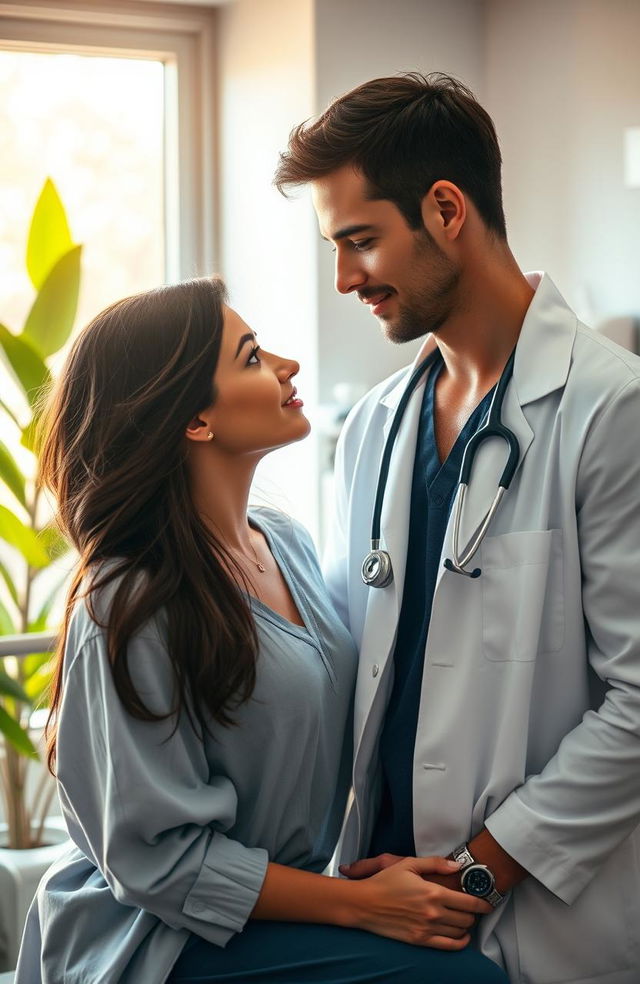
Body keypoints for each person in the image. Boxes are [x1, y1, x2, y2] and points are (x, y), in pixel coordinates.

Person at [15, 277, 508, 984]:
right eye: (250, 357)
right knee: (467, 981)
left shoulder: (284, 542)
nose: (287, 366)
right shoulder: (125, 606)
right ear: (195, 421)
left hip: (275, 915)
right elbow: (160, 863)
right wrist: (358, 905)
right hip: (151, 943)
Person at [274, 72, 640, 983]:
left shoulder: (611, 410)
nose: (344, 278)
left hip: (534, 911)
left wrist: (475, 870)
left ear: (445, 209)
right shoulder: (374, 429)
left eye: (361, 241)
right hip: (384, 906)